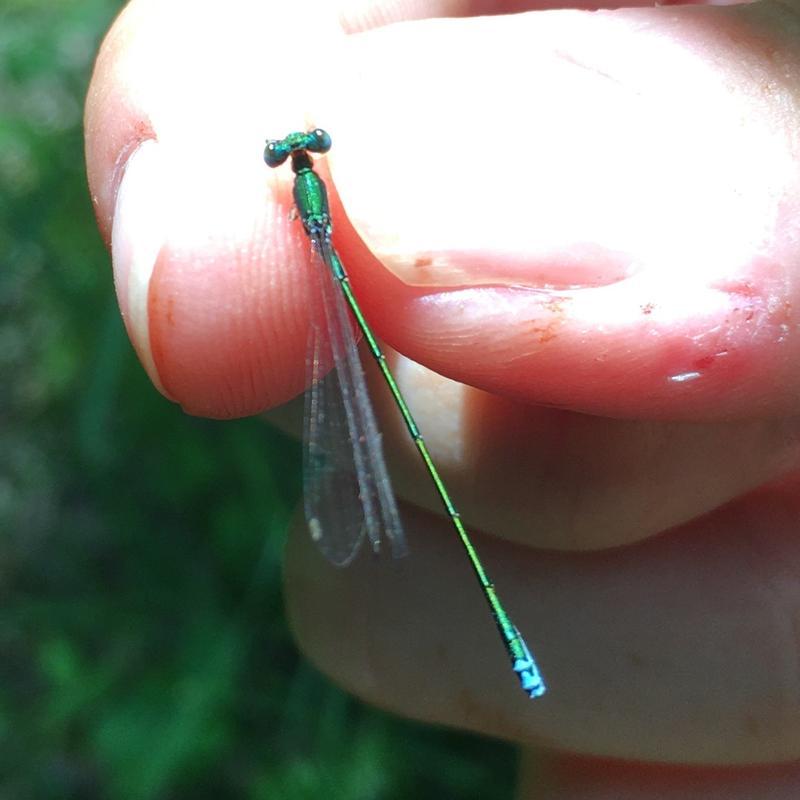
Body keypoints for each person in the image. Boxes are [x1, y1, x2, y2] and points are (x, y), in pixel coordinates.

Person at [84, 0, 800, 796]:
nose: (299, 155)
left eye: (302, 152)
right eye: (296, 152)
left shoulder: (308, 200)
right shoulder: (302, 208)